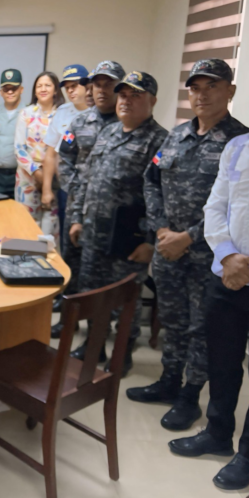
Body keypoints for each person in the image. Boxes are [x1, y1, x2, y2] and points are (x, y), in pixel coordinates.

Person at [129, 59, 249, 431]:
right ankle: (169, 381)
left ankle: (190, 395)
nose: (202, 95)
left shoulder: (241, 142)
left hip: (210, 256)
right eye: (196, 88)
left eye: (211, 86)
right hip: (168, 249)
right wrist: (161, 229)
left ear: (230, 91)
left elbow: (234, 205)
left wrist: (188, 237)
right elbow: (151, 181)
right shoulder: (176, 136)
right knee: (174, 320)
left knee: (203, 328)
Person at [168, 82, 249, 491]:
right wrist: (226, 256)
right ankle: (218, 434)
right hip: (226, 274)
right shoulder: (238, 147)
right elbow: (215, 207)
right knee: (222, 363)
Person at [69, 71, 167, 376]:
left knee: (127, 298)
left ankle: (122, 353)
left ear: (152, 100)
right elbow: (87, 178)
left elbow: (162, 195)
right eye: (123, 95)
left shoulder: (160, 140)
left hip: (129, 236)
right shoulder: (109, 132)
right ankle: (93, 347)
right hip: (94, 231)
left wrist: (150, 240)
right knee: (91, 291)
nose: (126, 101)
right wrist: (76, 218)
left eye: (135, 95)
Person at [53, 61, 124, 339]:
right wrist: (80, 192)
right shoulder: (80, 122)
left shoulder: (129, 123)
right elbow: (65, 161)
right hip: (78, 209)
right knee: (72, 266)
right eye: (97, 84)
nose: (102, 90)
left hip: (115, 217)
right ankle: (68, 322)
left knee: (108, 277)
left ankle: (108, 333)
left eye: (109, 84)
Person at [14, 71, 65, 240]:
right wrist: (37, 172)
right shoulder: (26, 113)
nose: (43, 89)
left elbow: (63, 148)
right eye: (39, 86)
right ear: (34, 90)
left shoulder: (63, 114)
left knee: (49, 228)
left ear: (56, 89)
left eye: (48, 85)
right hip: (27, 177)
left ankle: (48, 264)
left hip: (55, 178)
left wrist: (47, 179)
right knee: (26, 226)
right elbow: (19, 148)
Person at [40, 64, 90, 231]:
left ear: (87, 85)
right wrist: (47, 189)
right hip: (66, 188)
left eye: (74, 86)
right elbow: (51, 153)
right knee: (66, 235)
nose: (70, 91)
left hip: (92, 190)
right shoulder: (62, 111)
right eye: (67, 87)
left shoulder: (100, 111)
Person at [0, 68, 25, 198]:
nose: (9, 92)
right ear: (0, 92)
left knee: (19, 214)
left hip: (21, 174)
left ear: (21, 90)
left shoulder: (29, 113)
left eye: (14, 88)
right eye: (6, 89)